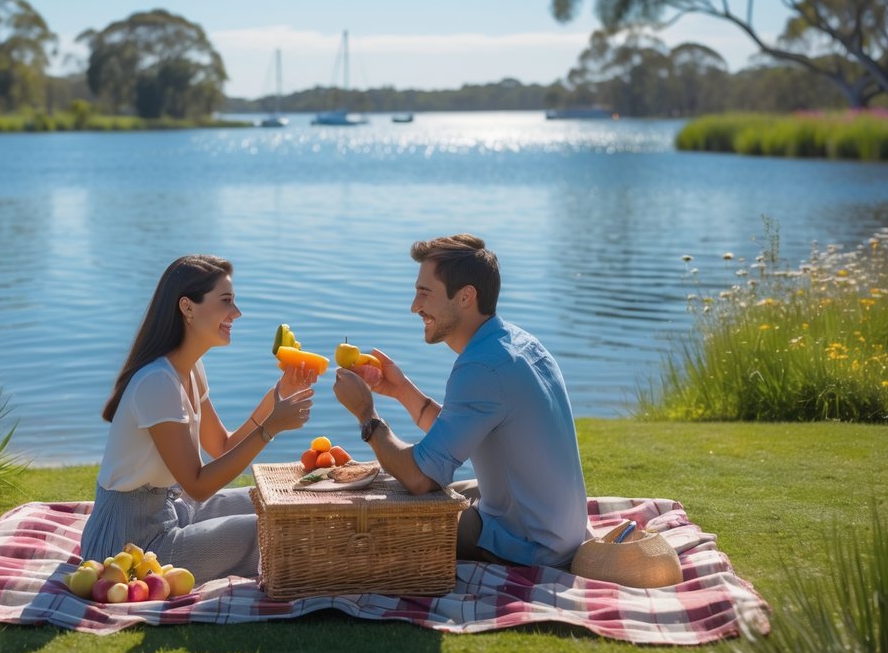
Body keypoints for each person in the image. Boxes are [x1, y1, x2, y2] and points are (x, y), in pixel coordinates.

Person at [332, 234, 588, 568]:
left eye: (424, 293)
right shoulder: (516, 344)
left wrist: (367, 415)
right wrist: (401, 390)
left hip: (530, 543)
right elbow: (454, 434)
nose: (414, 306)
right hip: (559, 531)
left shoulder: (481, 367)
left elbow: (420, 478)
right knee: (392, 487)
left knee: (373, 520)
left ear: (466, 297)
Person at [80, 254, 316, 582]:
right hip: (127, 546)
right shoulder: (157, 382)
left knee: (267, 502)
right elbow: (198, 484)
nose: (237, 313)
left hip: (169, 511)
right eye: (226, 302)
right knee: (267, 529)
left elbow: (222, 445)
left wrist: (278, 394)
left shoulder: (189, 371)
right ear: (187, 307)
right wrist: (271, 428)